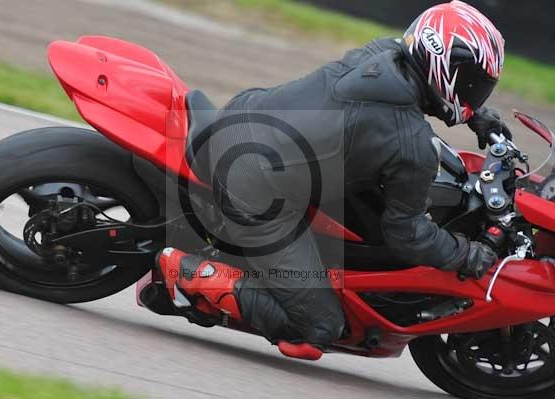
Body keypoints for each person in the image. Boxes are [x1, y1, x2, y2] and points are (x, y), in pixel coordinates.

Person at [157, 0, 507, 360]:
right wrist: (465, 254)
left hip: (247, 116)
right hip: (250, 186)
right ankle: (185, 273)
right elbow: (407, 234)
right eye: (472, 84)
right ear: (445, 68)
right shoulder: (411, 144)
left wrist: (475, 115)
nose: (474, 93)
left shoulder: (382, 54)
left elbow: (425, 94)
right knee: (319, 326)